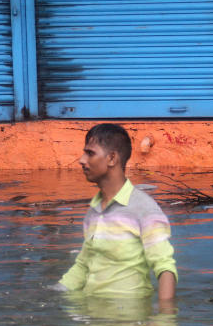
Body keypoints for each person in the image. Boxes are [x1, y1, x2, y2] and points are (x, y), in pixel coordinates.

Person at [57, 123, 177, 301]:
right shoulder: (95, 210)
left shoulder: (144, 208)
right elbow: (83, 266)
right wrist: (51, 296)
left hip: (128, 319)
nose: (82, 160)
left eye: (90, 153)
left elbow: (165, 267)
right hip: (93, 317)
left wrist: (165, 323)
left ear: (112, 158)